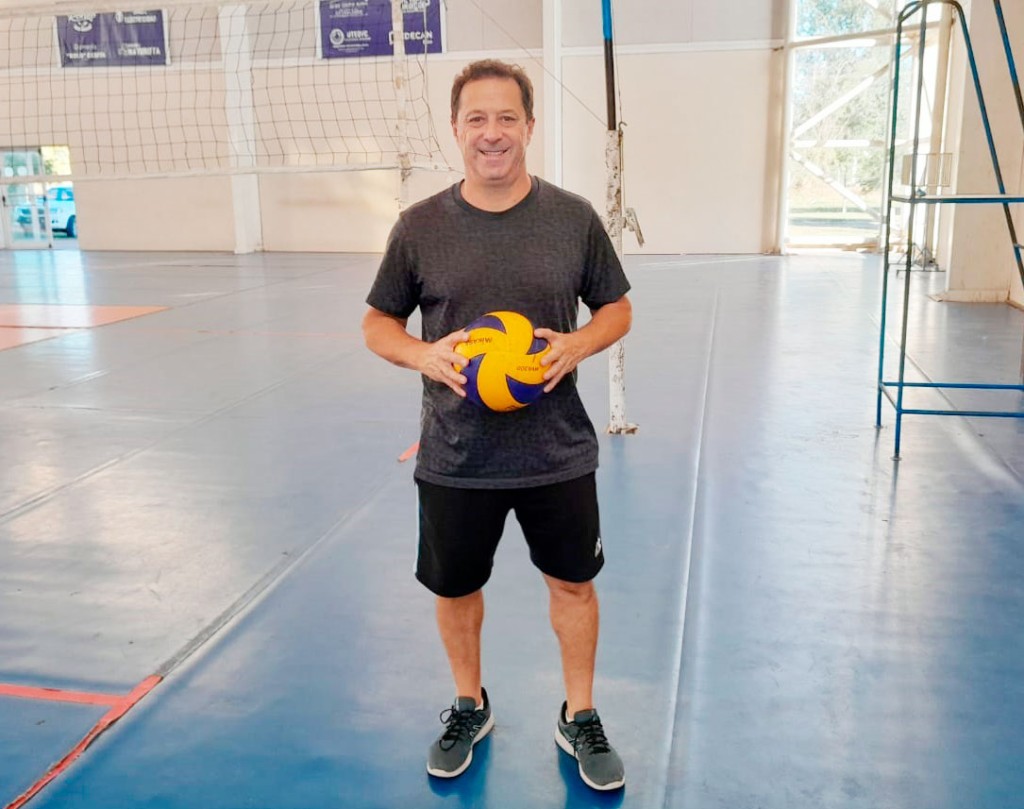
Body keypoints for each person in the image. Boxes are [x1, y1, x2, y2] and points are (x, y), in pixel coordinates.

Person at [362, 59, 631, 792]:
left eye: (506, 118)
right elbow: (377, 322)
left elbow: (616, 308)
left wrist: (578, 344)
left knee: (573, 585)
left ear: (529, 127)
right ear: (456, 129)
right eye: (476, 119)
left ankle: (580, 714)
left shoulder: (572, 217)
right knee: (455, 590)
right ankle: (468, 705)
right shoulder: (419, 227)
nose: (492, 133)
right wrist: (422, 354)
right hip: (456, 453)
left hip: (556, 451)